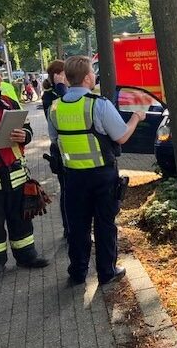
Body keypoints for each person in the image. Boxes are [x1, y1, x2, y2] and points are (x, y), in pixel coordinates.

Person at [48, 56, 146, 285]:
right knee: (104, 225)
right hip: (102, 176)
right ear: (85, 78)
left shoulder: (55, 107)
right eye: (92, 72)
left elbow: (55, 139)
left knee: (77, 226)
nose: (94, 76)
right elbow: (121, 136)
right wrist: (135, 118)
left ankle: (78, 273)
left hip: (72, 177)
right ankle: (106, 272)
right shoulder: (98, 104)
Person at [0, 67, 50, 280]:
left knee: (21, 218)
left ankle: (27, 256)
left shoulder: (9, 102)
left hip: (15, 174)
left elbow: (27, 128)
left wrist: (24, 135)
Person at [42, 60, 68, 238]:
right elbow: (61, 112)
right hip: (60, 151)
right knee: (66, 190)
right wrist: (59, 87)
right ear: (57, 76)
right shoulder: (50, 96)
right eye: (64, 74)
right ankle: (68, 229)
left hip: (72, 151)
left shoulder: (65, 92)